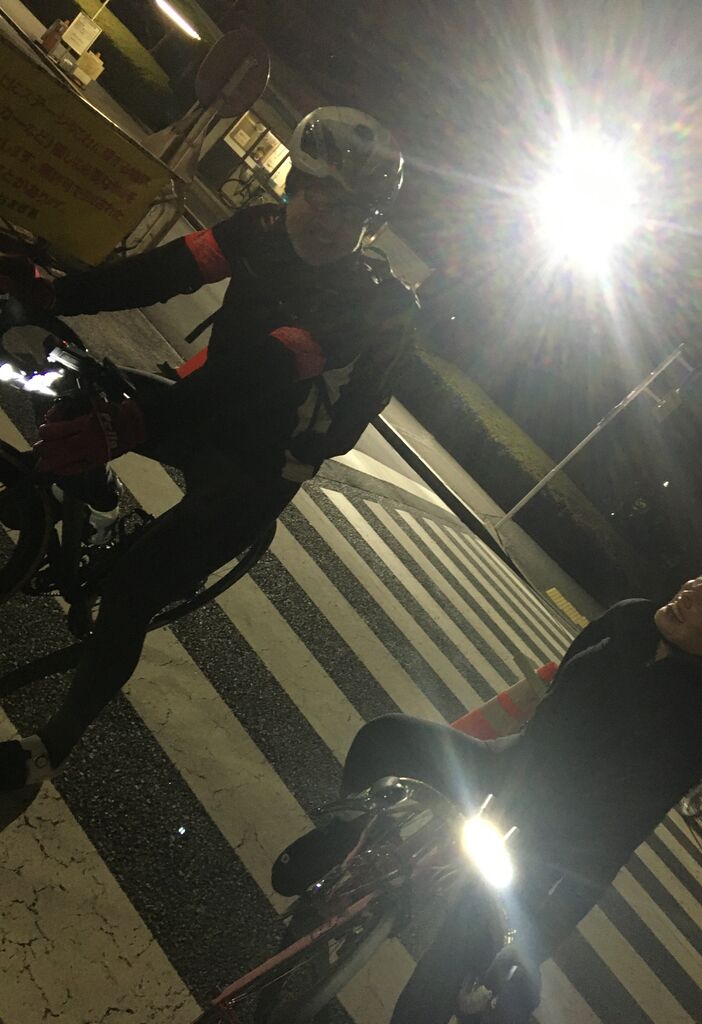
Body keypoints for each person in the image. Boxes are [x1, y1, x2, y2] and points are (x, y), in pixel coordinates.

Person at [0, 107, 417, 805]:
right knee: (75, 385)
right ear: (294, 181)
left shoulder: (374, 305)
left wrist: (138, 420)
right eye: (316, 192)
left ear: (371, 222)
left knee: (132, 592)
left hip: (261, 462)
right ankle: (97, 499)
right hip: (205, 408)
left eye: (349, 210)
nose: (324, 217)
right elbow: (161, 273)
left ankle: (50, 750)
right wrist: (51, 294)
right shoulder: (261, 229)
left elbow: (259, 371)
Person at [272, 553, 702, 1023]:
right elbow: (555, 696)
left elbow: (615, 844)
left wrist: (536, 942)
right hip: (510, 766)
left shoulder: (697, 726)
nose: (692, 592)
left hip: (549, 841)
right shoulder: (631, 616)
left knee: (439, 980)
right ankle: (341, 838)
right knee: (385, 737)